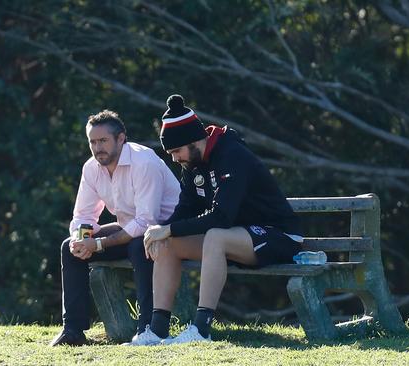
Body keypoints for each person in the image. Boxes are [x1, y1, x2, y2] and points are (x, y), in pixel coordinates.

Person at [130, 94, 303, 345]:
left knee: (214, 236)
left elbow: (221, 217)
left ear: (193, 141)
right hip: (237, 237)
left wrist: (168, 228)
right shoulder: (193, 164)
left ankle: (201, 330)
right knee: (168, 243)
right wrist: (165, 231)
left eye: (176, 151)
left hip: (278, 236)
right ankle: (157, 330)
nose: (175, 158)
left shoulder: (233, 155)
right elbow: (186, 208)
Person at [49, 110, 180, 346]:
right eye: (92, 142)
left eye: (103, 141)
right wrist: (83, 240)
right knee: (70, 247)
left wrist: (97, 244)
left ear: (121, 139)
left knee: (141, 246)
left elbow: (146, 223)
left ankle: (148, 329)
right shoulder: (91, 168)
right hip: (132, 229)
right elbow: (83, 215)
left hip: (168, 232)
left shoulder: (144, 162)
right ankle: (73, 331)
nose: (98, 148)